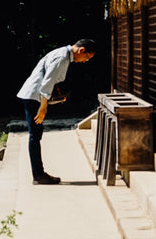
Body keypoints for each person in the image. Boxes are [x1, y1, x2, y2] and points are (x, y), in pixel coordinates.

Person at [17, 38, 96, 184]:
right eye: (86, 57)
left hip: (35, 95)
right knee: (34, 135)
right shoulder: (61, 57)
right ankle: (38, 175)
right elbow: (47, 83)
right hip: (34, 96)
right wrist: (43, 107)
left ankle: (38, 174)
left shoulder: (63, 54)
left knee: (36, 134)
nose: (85, 61)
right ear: (81, 50)